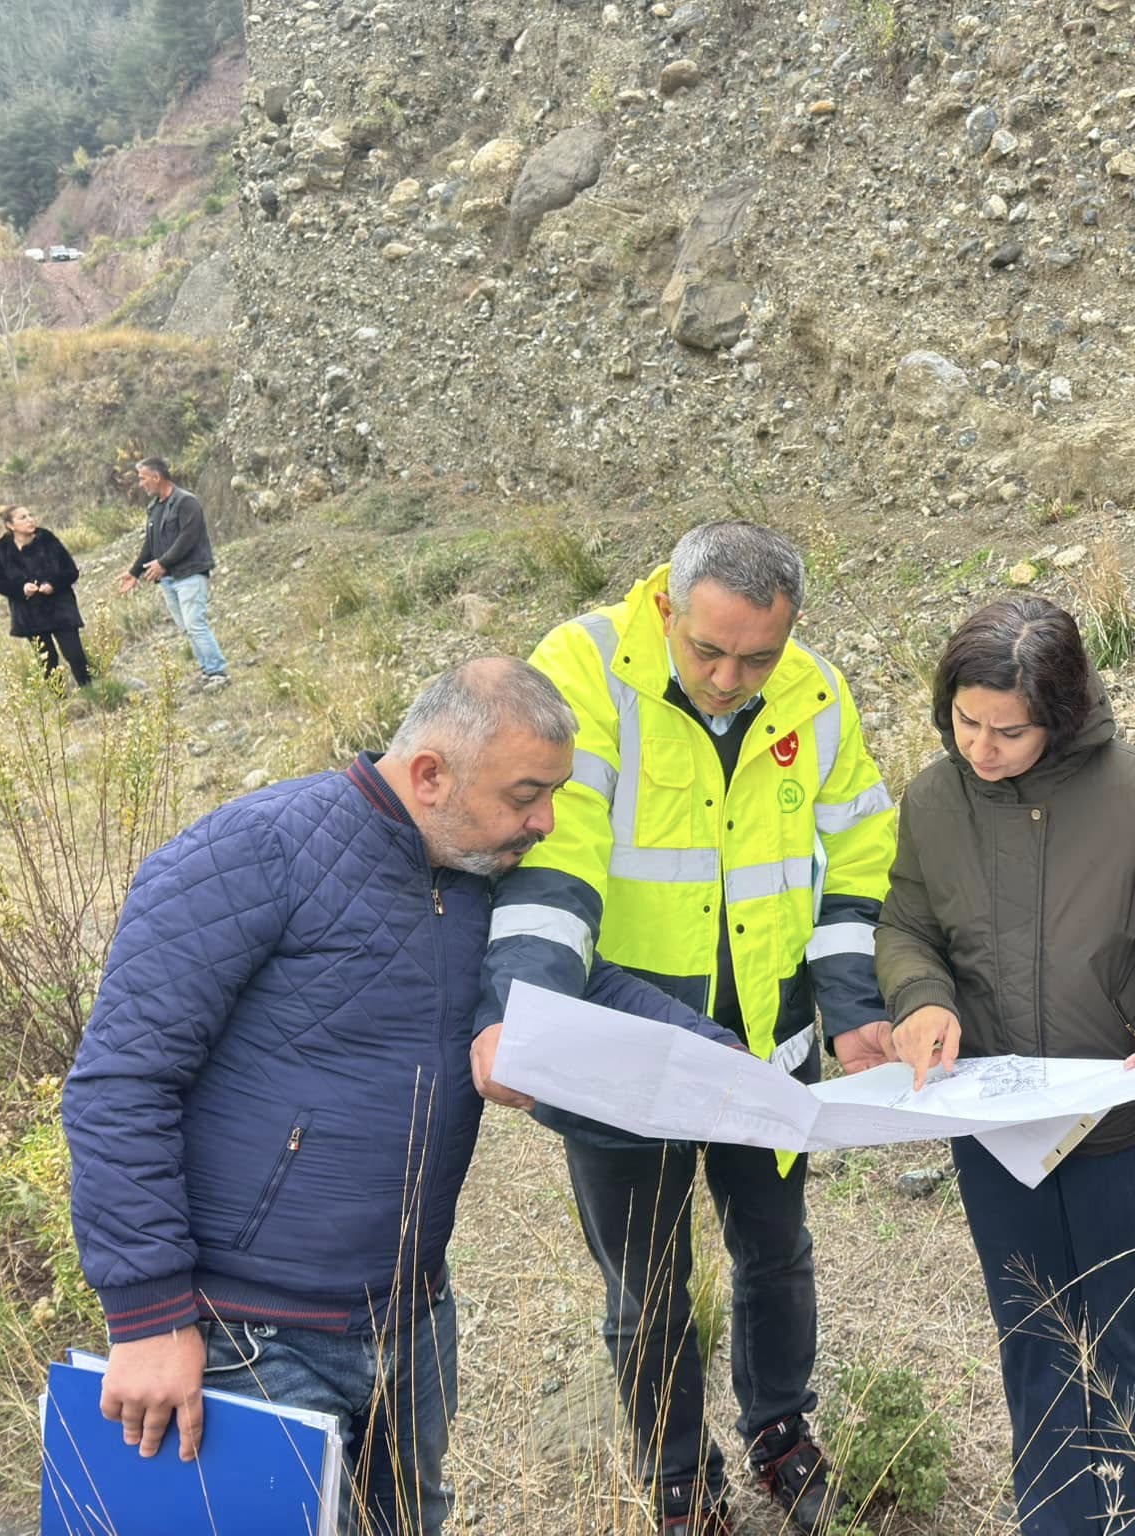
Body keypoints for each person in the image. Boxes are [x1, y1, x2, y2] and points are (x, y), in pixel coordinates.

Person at [63, 657, 738, 1536]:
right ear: (430, 775)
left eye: (556, 793)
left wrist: (731, 1065)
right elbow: (121, 1083)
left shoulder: (481, 876)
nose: (548, 821)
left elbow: (585, 988)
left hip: (411, 1324)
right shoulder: (251, 850)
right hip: (246, 1339)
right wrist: (148, 1315)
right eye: (527, 794)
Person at [474, 521, 898, 1535]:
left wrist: (850, 1009)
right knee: (647, 1288)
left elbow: (858, 858)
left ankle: (779, 1434)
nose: (726, 678)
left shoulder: (815, 691)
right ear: (667, 605)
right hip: (624, 1056)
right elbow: (553, 857)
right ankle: (677, 1475)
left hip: (767, 1052)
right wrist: (520, 1011)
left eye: (756, 657)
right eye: (707, 650)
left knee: (775, 1256)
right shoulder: (582, 669)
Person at [875, 596, 1135, 1536]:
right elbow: (908, 926)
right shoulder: (932, 800)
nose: (981, 748)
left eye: (1009, 730)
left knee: (1131, 1344)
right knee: (1035, 1340)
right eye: (964, 720)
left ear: (1062, 714)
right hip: (998, 1129)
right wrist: (921, 1001)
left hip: (1122, 1123)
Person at [114, 456, 228, 689]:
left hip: (190, 574)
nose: (140, 484)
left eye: (142, 478)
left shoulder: (187, 502)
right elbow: (150, 543)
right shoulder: (154, 508)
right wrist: (134, 572)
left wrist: (163, 563)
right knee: (187, 627)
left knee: (194, 622)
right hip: (169, 580)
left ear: (157, 477)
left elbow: (188, 537)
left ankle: (218, 673)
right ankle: (208, 672)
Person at [0, 502, 90, 686]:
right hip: (29, 615)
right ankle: (60, 704)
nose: (30, 520)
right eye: (23, 517)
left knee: (75, 654)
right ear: (10, 526)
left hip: (60, 609)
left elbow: (71, 571)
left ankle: (92, 693)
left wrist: (53, 584)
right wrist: (21, 589)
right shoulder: (3, 550)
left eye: (30, 515)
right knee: (48, 661)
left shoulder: (48, 540)